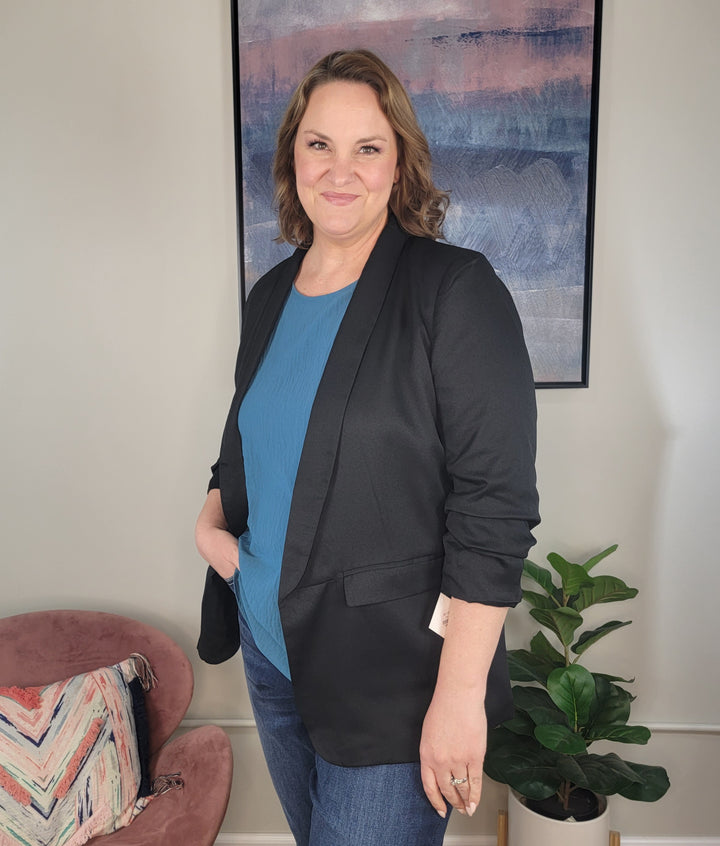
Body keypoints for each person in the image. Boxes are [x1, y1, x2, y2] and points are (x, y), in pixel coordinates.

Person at [195, 49, 539, 846]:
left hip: (395, 679)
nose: (339, 170)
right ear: (291, 157)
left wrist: (456, 700)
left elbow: (495, 508)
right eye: (319, 144)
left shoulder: (454, 290)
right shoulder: (271, 295)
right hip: (272, 652)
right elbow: (246, 444)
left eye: (367, 147)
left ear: (399, 163)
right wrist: (211, 532)